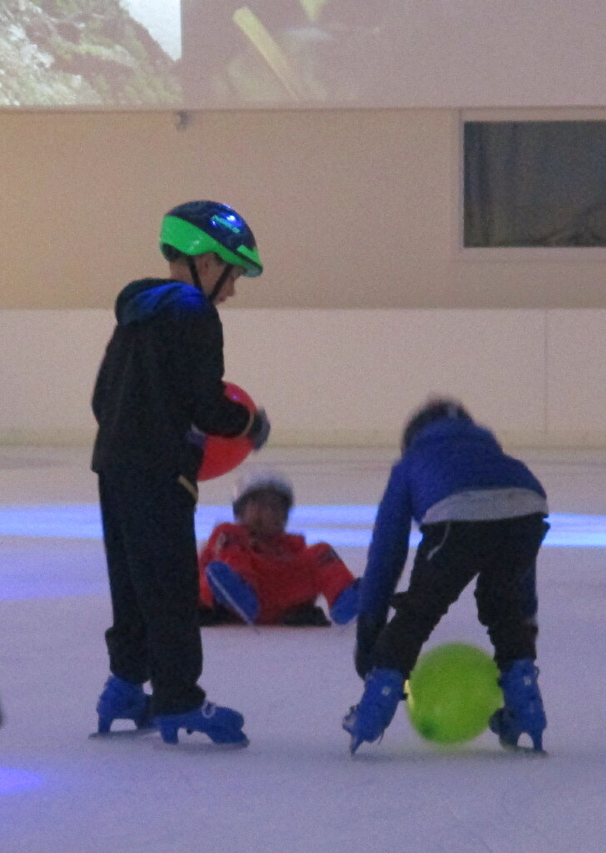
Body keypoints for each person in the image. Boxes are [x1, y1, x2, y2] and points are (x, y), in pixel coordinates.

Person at [90, 200, 271, 746]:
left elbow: (100, 398)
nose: (232, 290)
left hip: (113, 463)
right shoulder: (195, 314)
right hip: (160, 470)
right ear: (206, 261)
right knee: (169, 587)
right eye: (233, 273)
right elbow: (207, 404)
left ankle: (124, 686)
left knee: (131, 582)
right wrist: (249, 421)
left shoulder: (136, 311)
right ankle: (177, 701)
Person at [344, 397, 549, 754]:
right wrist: (527, 616)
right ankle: (526, 709)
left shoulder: (411, 463)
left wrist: (370, 630)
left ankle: (373, 711)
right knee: (504, 609)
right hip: (527, 503)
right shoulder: (490, 454)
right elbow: (523, 572)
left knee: (418, 613)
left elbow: (386, 552)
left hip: (455, 516)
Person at [198, 470, 360, 627]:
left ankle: (344, 600)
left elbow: (301, 569)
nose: (269, 513)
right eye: (260, 507)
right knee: (220, 561)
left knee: (322, 551)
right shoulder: (229, 535)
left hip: (280, 601)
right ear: (240, 512)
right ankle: (240, 591)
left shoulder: (290, 546)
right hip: (239, 597)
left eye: (276, 508)